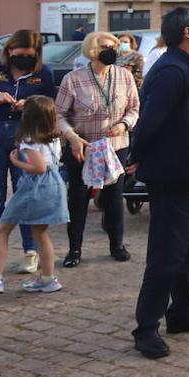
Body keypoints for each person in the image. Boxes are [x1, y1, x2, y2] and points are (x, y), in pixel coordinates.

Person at [130, 7, 189, 360]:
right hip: (175, 178)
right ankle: (146, 327)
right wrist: (136, 155)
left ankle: (181, 311)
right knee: (166, 256)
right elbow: (150, 119)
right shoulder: (170, 70)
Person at [0, 29, 56, 278]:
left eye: (29, 54)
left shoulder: (42, 74)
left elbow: (51, 105)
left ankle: (30, 251)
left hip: (26, 139)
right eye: (19, 53)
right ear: (9, 50)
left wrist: (32, 103)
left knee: (26, 195)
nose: (23, 58)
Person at [0, 95, 68, 295]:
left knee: (2, 229)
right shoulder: (54, 137)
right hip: (54, 186)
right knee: (40, 233)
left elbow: (38, 168)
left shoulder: (29, 140)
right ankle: (48, 278)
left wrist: (16, 161)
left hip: (35, 188)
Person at [55, 31, 138, 267]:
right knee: (78, 198)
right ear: (92, 49)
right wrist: (71, 137)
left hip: (115, 146)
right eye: (105, 46)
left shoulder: (125, 76)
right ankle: (74, 249)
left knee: (113, 198)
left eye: (115, 46)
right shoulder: (73, 79)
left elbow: (134, 108)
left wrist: (124, 124)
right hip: (83, 146)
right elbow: (58, 115)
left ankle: (117, 245)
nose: (112, 49)